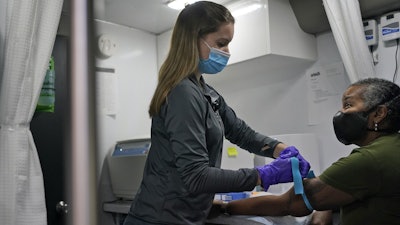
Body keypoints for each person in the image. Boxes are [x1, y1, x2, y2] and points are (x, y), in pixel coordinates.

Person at [122, 1, 310, 225]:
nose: (227, 52)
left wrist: (281, 150)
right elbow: (196, 175)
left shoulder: (205, 92)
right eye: (221, 44)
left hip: (185, 216)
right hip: (159, 218)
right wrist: (263, 175)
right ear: (193, 40)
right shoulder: (182, 93)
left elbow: (240, 132)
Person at [220, 77, 400, 225]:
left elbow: (290, 204)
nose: (340, 113)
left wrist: (224, 208)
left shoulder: (370, 159)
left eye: (347, 105)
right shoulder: (391, 148)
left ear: (378, 114)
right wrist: (326, 204)